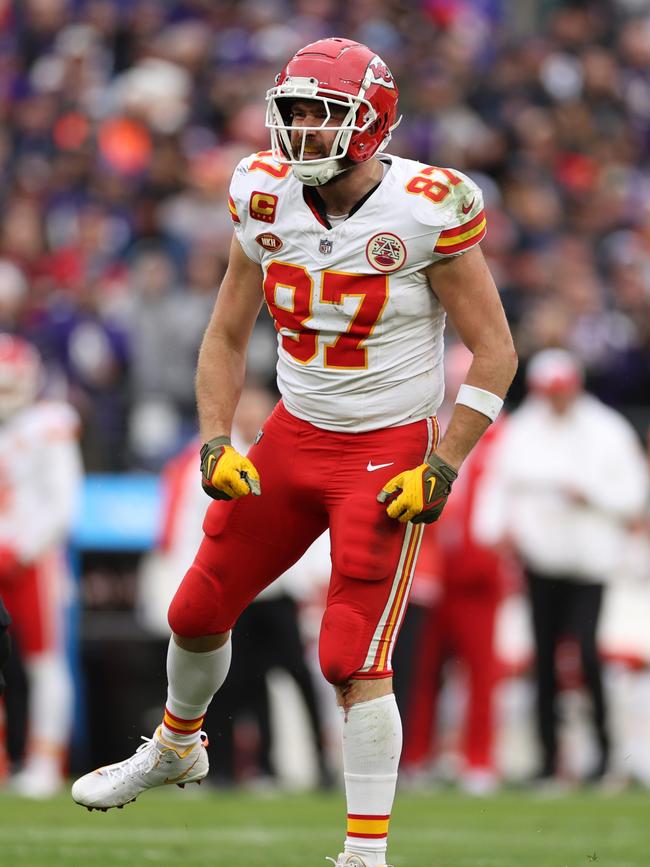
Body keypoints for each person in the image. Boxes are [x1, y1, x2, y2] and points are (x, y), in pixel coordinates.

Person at [72, 37, 517, 867]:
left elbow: (495, 352)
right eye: (297, 112)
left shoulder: (428, 206)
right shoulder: (260, 192)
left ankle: (364, 853)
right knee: (195, 610)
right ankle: (177, 744)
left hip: (386, 448)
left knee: (352, 652)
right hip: (292, 431)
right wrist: (214, 441)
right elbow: (226, 333)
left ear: (371, 123)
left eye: (325, 115)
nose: (305, 131)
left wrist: (444, 464)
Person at [473, 348, 648, 785]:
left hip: (590, 565)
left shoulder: (607, 431)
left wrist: (589, 495)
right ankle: (549, 759)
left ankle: (606, 755)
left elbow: (632, 496)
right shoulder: (523, 432)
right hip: (540, 562)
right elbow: (499, 488)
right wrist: (495, 532)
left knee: (587, 654)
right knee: (545, 661)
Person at [0, 334, 84, 798]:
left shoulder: (47, 424)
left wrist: (25, 547)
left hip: (33, 562)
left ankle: (44, 761)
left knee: (44, 663)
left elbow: (64, 504)